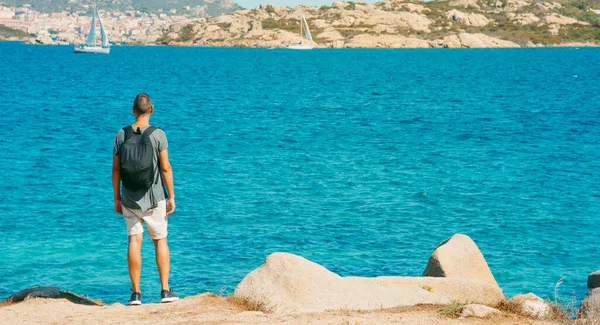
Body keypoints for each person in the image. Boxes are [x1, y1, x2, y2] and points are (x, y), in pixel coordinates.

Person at [112, 93, 179, 305]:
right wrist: (171, 196)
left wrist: (116, 198)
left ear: (133, 110)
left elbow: (115, 170)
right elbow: (166, 167)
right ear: (152, 109)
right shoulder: (158, 134)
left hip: (129, 197)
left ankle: (136, 294)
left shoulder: (121, 135)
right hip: (155, 197)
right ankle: (165, 291)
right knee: (160, 239)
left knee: (134, 240)